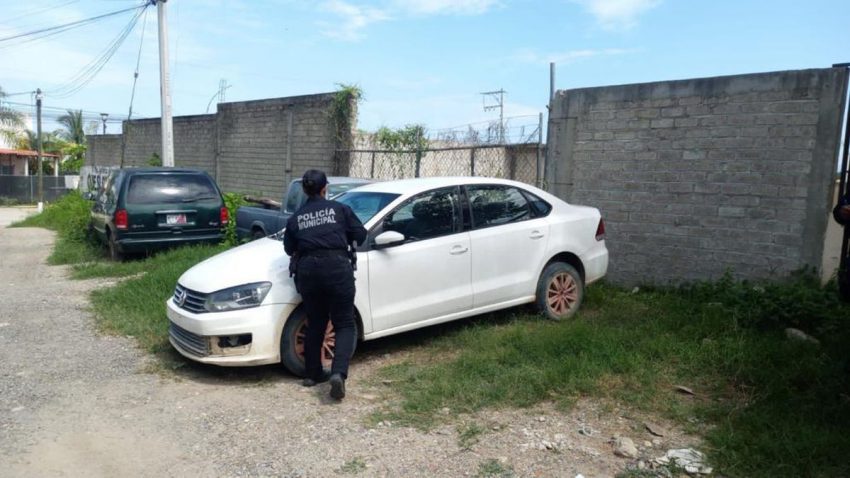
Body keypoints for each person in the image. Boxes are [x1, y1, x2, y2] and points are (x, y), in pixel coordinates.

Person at [283, 170, 366, 399]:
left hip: (308, 272)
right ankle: (338, 373)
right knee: (344, 323)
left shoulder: (296, 218)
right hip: (337, 267)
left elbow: (289, 249)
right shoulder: (340, 210)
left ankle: (312, 374)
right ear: (324, 188)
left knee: (316, 322)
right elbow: (361, 235)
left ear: (304, 190)